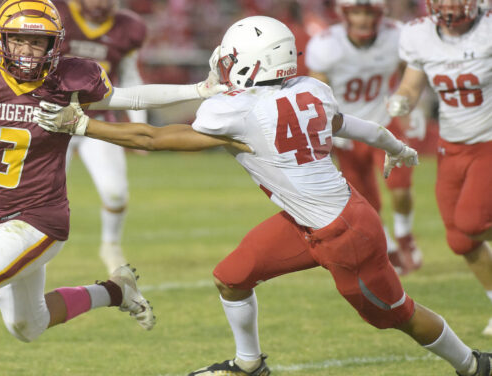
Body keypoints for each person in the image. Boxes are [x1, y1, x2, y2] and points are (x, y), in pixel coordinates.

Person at [36, 15, 492, 376]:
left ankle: (472, 364)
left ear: (254, 62)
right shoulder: (311, 88)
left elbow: (153, 140)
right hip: (312, 219)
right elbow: (349, 125)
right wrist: (396, 146)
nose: (225, 64)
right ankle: (249, 365)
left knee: (398, 316)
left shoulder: (237, 110)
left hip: (345, 234)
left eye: (233, 57)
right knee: (232, 276)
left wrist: (82, 125)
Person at [0, 1, 225, 375]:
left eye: (38, 42)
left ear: (54, 45)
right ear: (0, 40)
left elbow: (132, 97)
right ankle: (117, 291)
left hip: (41, 219)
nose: (27, 50)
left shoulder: (66, 79)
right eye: (19, 40)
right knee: (27, 325)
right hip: (0, 217)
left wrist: (200, 89)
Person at [387, 0, 492, 336]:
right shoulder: (418, 35)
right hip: (452, 146)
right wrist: (401, 106)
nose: (449, 3)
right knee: (460, 239)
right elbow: (410, 86)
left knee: (472, 221)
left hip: (489, 142)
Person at [305, 0, 424, 276]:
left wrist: (410, 102)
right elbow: (317, 93)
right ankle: (390, 247)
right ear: (345, 14)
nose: (364, 19)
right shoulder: (326, 45)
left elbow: (414, 70)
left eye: (370, 12)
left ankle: (405, 234)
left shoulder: (397, 35)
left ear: (380, 14)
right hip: (348, 128)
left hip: (385, 118)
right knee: (367, 202)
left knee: (402, 188)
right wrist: (325, 131)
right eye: (357, 12)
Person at [51, 0, 147, 274]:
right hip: (55, 120)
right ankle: (33, 249)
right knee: (45, 195)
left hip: (99, 120)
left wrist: (138, 121)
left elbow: (129, 75)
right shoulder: (56, 14)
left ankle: (111, 245)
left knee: (115, 193)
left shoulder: (128, 27)